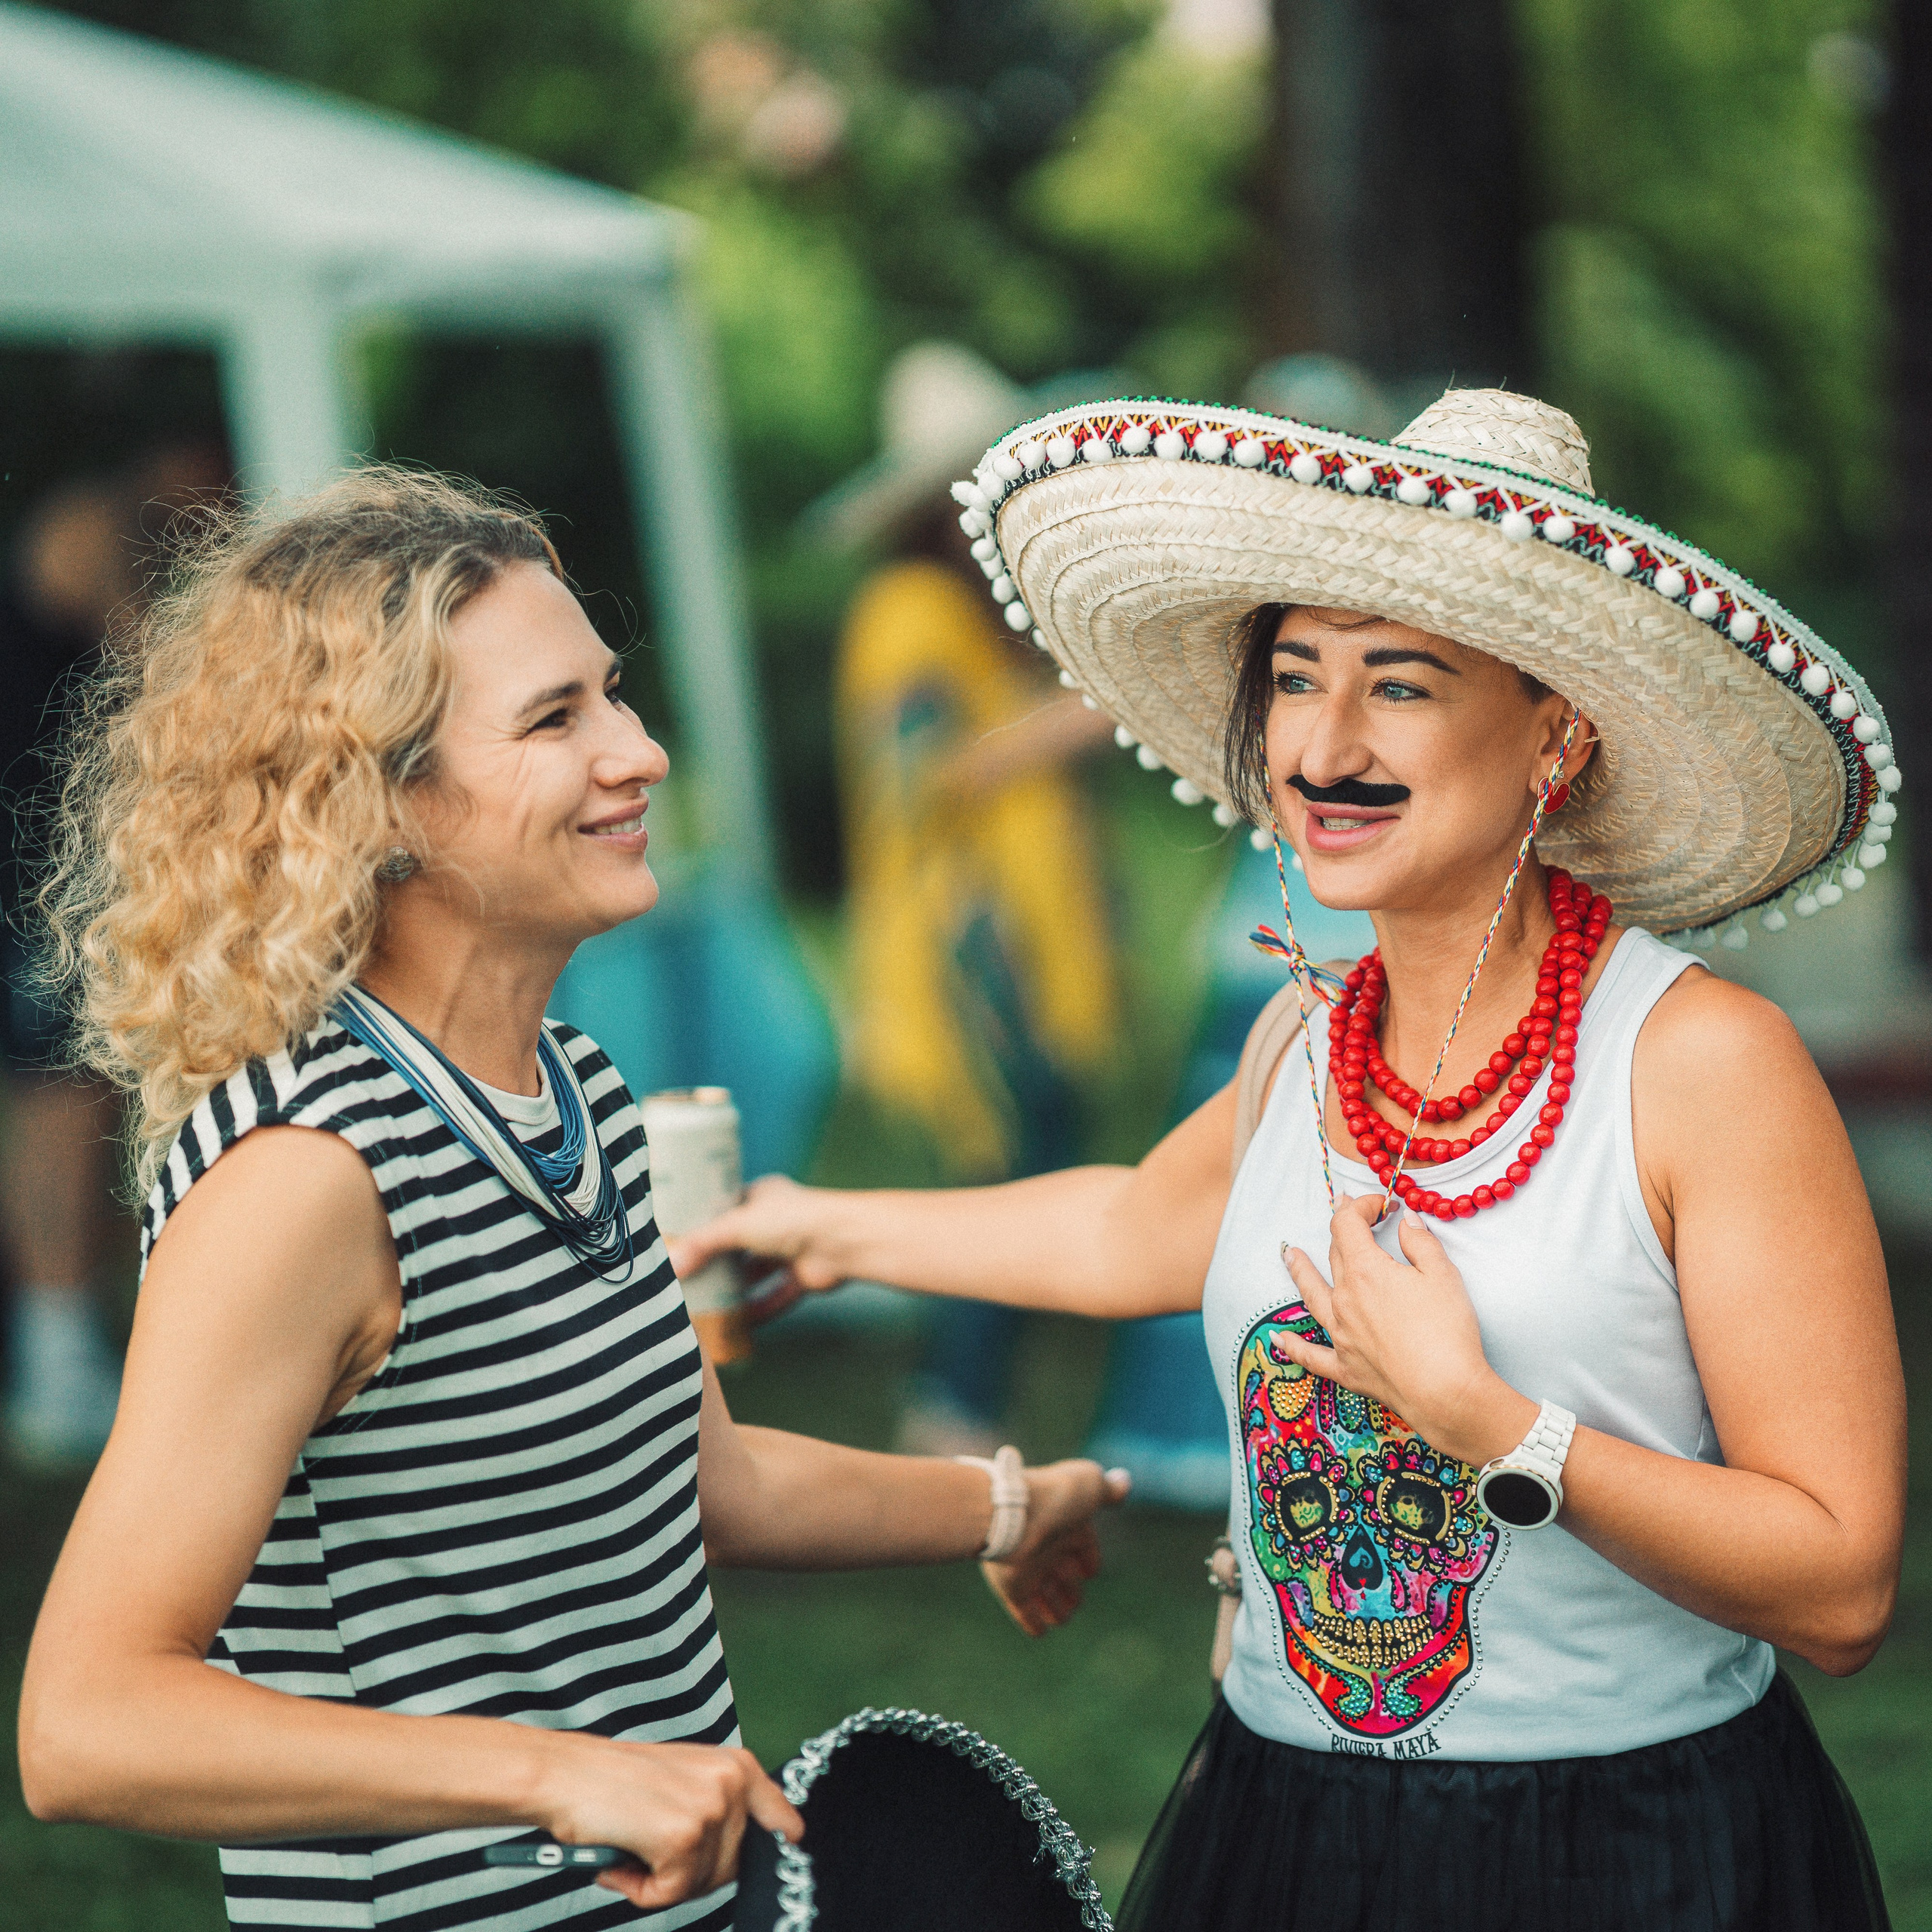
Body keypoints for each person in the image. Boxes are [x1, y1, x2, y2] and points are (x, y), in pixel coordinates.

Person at [672, 389, 1907, 1930]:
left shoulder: (1698, 1064)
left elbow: (1839, 1583)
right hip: (1286, 1829)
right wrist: (822, 1224)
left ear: (1552, 733)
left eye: (1398, 684)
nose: (1321, 745)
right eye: (1295, 679)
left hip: (1622, 1847)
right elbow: (1132, 1225)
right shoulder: (1302, 1039)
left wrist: (1488, 1426)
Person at [15, 468, 1127, 1932]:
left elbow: (698, 1476)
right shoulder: (302, 1178)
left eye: (613, 695)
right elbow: (87, 1720)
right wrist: (556, 1773)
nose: (643, 750)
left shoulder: (575, 1086)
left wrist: (1000, 1501)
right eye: (557, 719)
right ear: (380, 798)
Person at [813, 343, 1118, 1454]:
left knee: (1039, 1156)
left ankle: (973, 1398)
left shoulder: (971, 609)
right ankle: (951, 1404)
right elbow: (927, 776)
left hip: (1012, 927)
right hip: (969, 935)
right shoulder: (906, 609)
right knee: (1007, 1172)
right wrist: (1089, 713)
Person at [0, 444, 226, 1464]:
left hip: (51, 869)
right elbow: (155, 675)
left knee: (76, 1093)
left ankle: (61, 1350)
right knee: (59, 1102)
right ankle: (52, 1367)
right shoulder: (97, 524)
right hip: (29, 875)